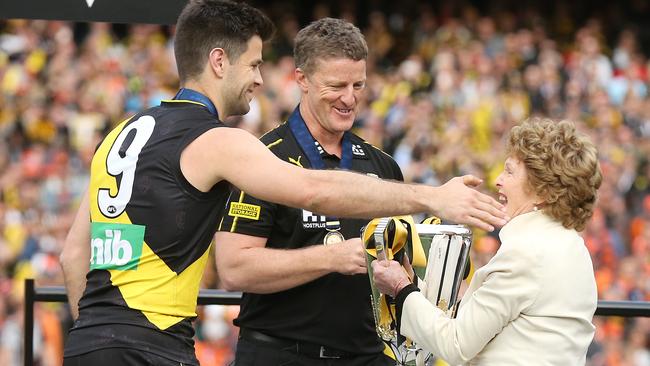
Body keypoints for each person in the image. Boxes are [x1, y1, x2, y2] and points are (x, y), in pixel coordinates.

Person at [59, 1, 507, 365]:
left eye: (359, 85)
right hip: (159, 344)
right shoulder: (217, 140)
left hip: (90, 340)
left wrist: (97, 337)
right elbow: (312, 191)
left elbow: (73, 254)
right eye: (253, 64)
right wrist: (431, 196)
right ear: (219, 62)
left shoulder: (121, 132)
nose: (258, 78)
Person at [214, 18, 402, 366]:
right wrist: (332, 258)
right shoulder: (263, 159)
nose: (350, 98)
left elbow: (398, 266)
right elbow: (234, 269)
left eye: (358, 84)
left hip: (367, 355)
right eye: (336, 85)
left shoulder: (383, 167)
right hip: (280, 354)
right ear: (301, 79)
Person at [372, 117, 602, 365]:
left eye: (510, 171)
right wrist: (412, 286)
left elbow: (457, 344)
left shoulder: (527, 255)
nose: (498, 180)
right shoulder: (573, 246)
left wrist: (400, 289)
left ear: (544, 191)